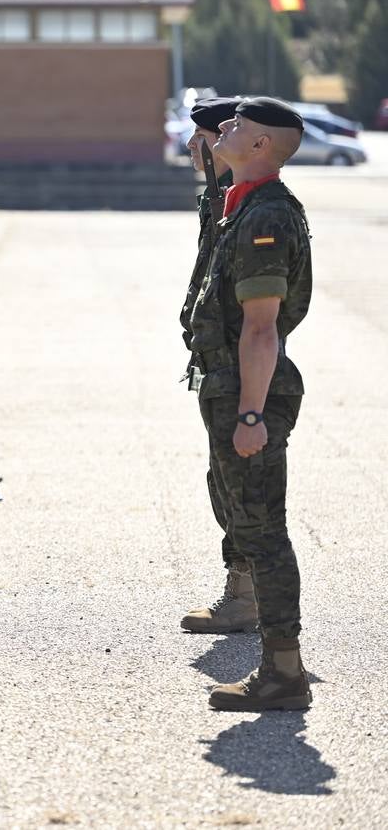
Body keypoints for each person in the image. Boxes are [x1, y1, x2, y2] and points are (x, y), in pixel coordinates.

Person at [188, 97, 313, 711]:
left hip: (248, 388)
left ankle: (283, 673)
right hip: (233, 385)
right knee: (253, 525)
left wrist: (251, 414)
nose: (224, 129)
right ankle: (280, 667)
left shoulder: (267, 216)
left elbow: (262, 328)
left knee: (263, 531)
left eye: (236, 126)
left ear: (261, 145)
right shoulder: (242, 206)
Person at [177, 96, 256, 635]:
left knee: (242, 482)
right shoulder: (218, 198)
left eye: (201, 135)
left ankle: (250, 596)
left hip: (237, 363)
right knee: (223, 479)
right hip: (217, 361)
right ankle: (245, 590)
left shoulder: (248, 204)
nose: (191, 145)